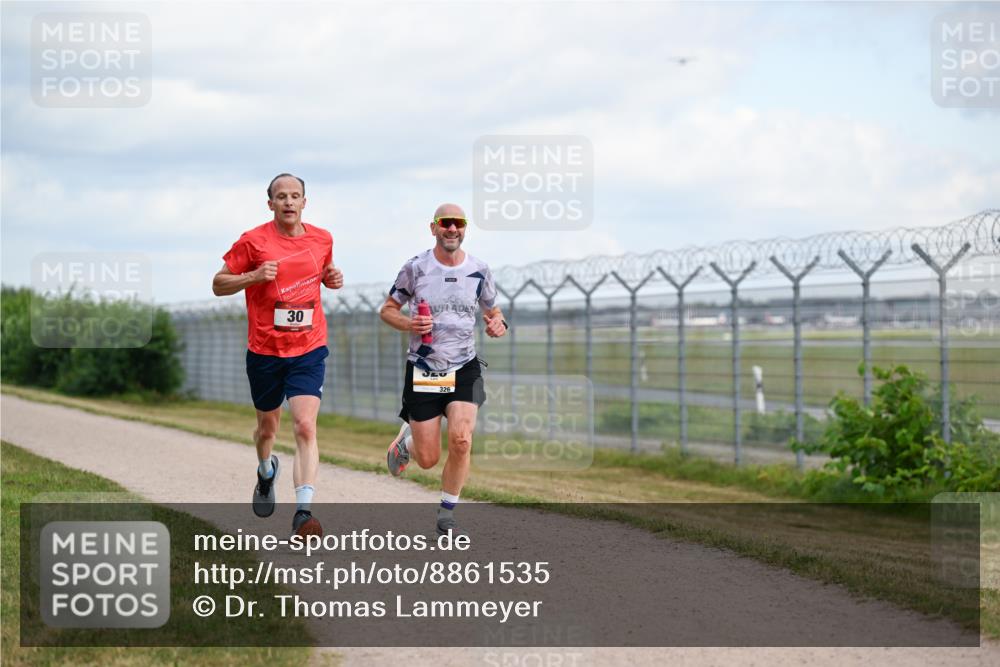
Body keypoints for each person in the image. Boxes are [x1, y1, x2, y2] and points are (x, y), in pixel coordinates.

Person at [212, 173, 343, 538]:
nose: (288, 202)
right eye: (281, 196)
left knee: (304, 425)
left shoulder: (322, 239)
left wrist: (331, 279)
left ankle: (304, 512)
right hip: (266, 351)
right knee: (267, 430)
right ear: (269, 203)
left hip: (309, 348)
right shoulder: (253, 241)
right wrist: (253, 276)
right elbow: (218, 283)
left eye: (295, 196)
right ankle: (266, 471)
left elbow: (324, 275)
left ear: (304, 202)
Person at [380, 203, 507, 536]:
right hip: (424, 368)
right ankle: (406, 444)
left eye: (459, 223)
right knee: (427, 459)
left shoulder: (479, 269)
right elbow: (388, 309)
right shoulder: (416, 268)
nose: (453, 229)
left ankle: (447, 514)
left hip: (464, 366)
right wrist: (409, 322)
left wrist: (498, 323)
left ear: (465, 228)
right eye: (445, 223)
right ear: (433, 228)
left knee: (462, 440)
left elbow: (493, 310)